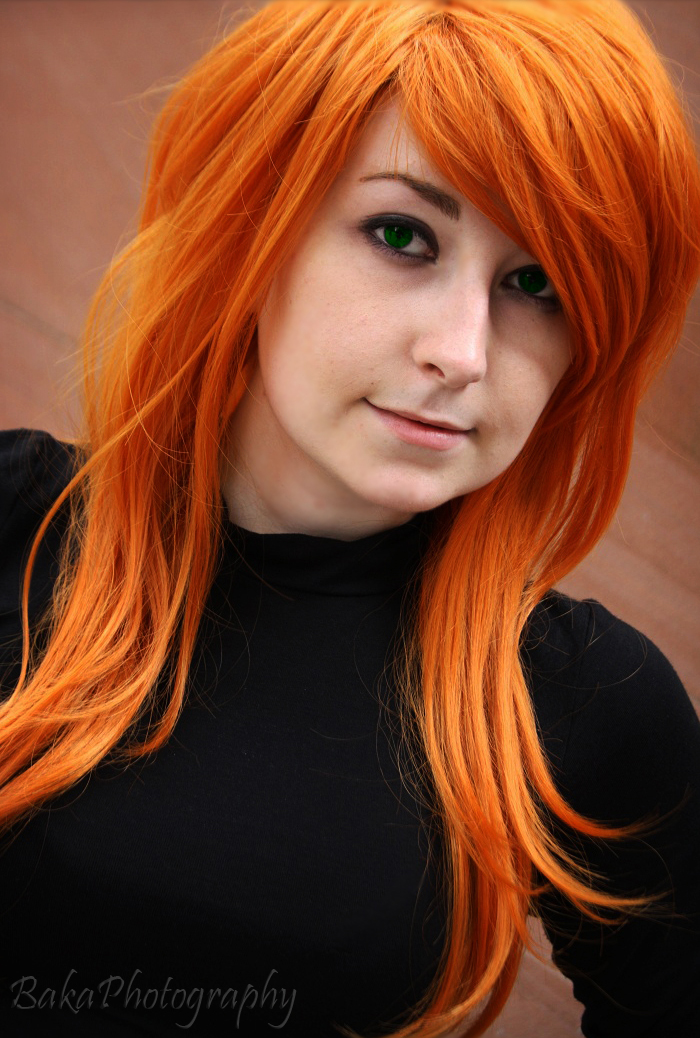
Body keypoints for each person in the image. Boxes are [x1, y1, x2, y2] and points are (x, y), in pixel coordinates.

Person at [1, 1, 699, 1035]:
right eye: (402, 235)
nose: (461, 353)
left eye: (537, 283)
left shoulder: (583, 707)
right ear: (251, 222)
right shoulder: (17, 522)